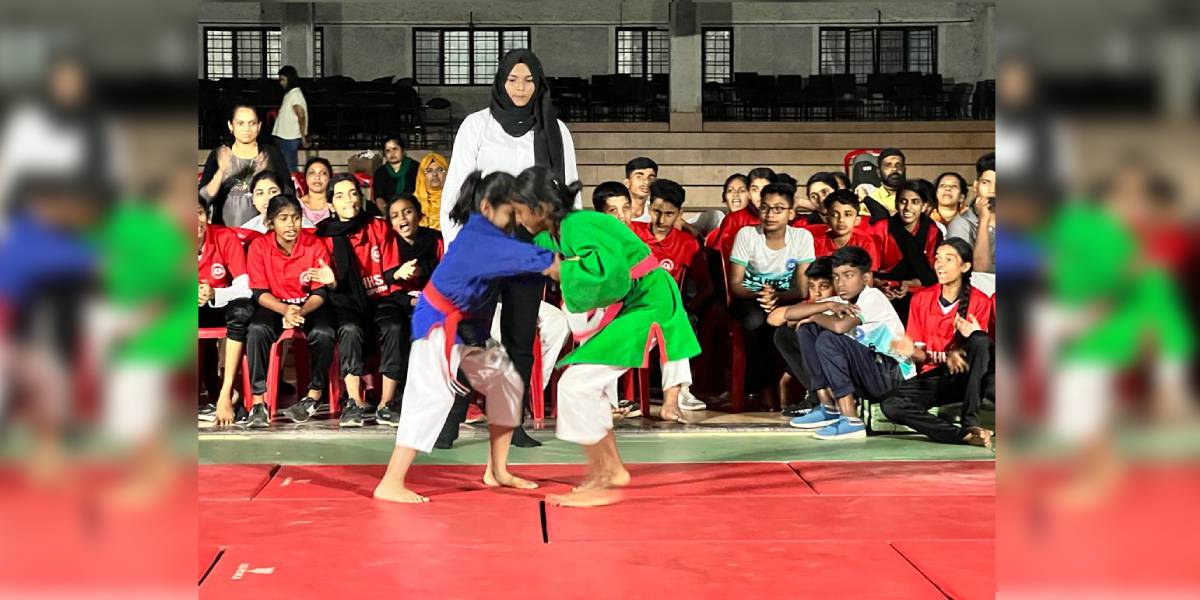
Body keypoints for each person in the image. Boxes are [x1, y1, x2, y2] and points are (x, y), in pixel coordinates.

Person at [513, 166, 700, 506]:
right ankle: (609, 470)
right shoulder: (549, 234)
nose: (517, 215)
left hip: (650, 301)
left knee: (575, 385)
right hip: (633, 303)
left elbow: (612, 275)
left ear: (540, 207)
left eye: (520, 208)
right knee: (586, 385)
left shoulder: (579, 224)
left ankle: (602, 475)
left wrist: (562, 270)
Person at [373, 171, 560, 504]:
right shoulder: (482, 238)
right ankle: (391, 481)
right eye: (510, 213)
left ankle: (497, 471)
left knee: (506, 383)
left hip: (465, 327)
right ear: (487, 207)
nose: (514, 219)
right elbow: (545, 265)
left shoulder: (489, 234)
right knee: (430, 398)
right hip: (437, 325)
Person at [436, 49, 581, 448]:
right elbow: (456, 189)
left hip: (531, 244)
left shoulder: (555, 130)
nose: (520, 88)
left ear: (539, 83)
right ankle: (451, 420)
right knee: (475, 337)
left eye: (528, 80)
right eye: (513, 79)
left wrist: (570, 249)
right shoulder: (476, 126)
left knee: (520, 337)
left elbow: (567, 191)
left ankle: (511, 424)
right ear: (500, 81)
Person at [768, 245, 915, 440]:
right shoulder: (837, 301)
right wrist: (827, 305)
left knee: (829, 338)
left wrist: (814, 316)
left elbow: (840, 327)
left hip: (893, 375)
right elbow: (774, 318)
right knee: (806, 331)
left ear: (866, 278)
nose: (841, 283)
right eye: (836, 277)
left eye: (848, 275)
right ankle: (827, 407)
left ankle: (851, 421)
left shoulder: (873, 296)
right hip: (870, 375)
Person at [315, 175, 415, 427]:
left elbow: (390, 270)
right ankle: (353, 402)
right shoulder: (323, 236)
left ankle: (386, 404)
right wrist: (331, 281)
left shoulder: (378, 227)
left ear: (360, 198)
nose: (348, 200)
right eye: (339, 196)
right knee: (349, 329)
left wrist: (399, 273)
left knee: (395, 326)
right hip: (346, 301)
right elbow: (331, 285)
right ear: (330, 205)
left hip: (381, 299)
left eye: (352, 193)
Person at [882, 238, 996, 447]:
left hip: (973, 376)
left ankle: (971, 422)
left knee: (979, 339)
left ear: (965, 266)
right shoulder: (921, 299)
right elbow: (922, 355)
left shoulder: (980, 301)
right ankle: (961, 435)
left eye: (948, 259)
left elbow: (980, 353)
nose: (940, 264)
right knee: (891, 404)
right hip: (939, 377)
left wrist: (970, 337)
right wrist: (910, 350)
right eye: (937, 259)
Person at [243, 194, 337, 428]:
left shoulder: (314, 244)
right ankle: (258, 401)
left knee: (324, 333)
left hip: (308, 306)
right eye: (283, 218)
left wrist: (300, 312)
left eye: (296, 218)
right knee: (256, 329)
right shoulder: (259, 246)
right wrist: (285, 310)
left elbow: (320, 293)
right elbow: (260, 293)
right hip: (275, 305)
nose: (291, 224)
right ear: (270, 223)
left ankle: (313, 396)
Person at [728, 182, 814, 410]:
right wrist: (761, 293)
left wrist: (777, 297)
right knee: (755, 322)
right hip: (749, 299)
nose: (770, 214)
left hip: (786, 299)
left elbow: (802, 289)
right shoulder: (747, 235)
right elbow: (736, 285)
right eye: (765, 208)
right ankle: (764, 387)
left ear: (791, 213)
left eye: (778, 209)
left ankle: (788, 385)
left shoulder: (802, 238)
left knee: (783, 324)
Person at [630, 179, 712, 413]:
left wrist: (687, 309)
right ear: (648, 208)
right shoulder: (632, 232)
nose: (661, 220)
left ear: (679, 214)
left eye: (669, 214)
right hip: (630, 310)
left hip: (666, 313)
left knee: (677, 323)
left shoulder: (688, 244)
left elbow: (707, 288)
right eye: (656, 212)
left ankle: (676, 397)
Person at [197, 196, 254, 426]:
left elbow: (244, 287)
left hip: (222, 306)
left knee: (242, 312)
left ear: (207, 215)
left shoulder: (225, 237)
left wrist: (214, 294)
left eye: (198, 212)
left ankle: (226, 393)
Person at [199, 103, 292, 227]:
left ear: (259, 126)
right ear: (230, 126)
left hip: (263, 233)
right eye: (240, 123)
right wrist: (221, 172)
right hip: (225, 234)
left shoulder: (271, 154)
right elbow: (203, 199)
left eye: (252, 123)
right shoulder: (219, 154)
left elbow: (288, 194)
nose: (246, 129)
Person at [773, 256, 836, 417]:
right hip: (818, 365)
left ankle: (829, 399)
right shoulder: (810, 305)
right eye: (812, 286)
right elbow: (773, 319)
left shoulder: (840, 302)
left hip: (840, 364)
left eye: (824, 286)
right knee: (783, 334)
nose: (817, 292)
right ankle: (817, 397)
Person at [876, 179, 942, 318]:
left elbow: (933, 273)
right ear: (896, 203)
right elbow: (869, 270)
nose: (907, 208)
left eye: (915, 202)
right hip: (884, 290)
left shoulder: (932, 231)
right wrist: (882, 286)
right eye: (903, 201)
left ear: (924, 206)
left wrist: (909, 284)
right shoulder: (882, 228)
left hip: (919, 290)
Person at [947, 152, 995, 296]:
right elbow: (980, 272)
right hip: (977, 297)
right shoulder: (961, 224)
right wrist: (984, 220)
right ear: (976, 186)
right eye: (986, 183)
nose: (993, 190)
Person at [706, 167, 774, 257]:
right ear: (749, 193)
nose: (760, 195)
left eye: (765, 189)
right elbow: (720, 256)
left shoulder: (783, 216)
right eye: (755, 190)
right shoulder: (733, 220)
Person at [812, 190, 882, 271]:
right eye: (834, 215)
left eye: (848, 214)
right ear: (827, 219)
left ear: (857, 220)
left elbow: (868, 276)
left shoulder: (866, 243)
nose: (841, 220)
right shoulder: (817, 243)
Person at [240, 171, 314, 233]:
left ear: (283, 194)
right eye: (260, 193)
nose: (267, 198)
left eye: (273, 192)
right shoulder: (246, 230)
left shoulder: (303, 226)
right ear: (253, 199)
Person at [272, 65, 308, 173]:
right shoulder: (290, 94)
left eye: (283, 80)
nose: (281, 83)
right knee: (285, 167)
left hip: (289, 137)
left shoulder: (295, 95)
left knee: (290, 168)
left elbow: (301, 116)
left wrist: (303, 136)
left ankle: (292, 188)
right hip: (285, 136)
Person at [372, 137, 420, 210]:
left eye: (395, 149)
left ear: (403, 150)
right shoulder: (380, 172)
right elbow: (379, 198)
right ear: (384, 154)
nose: (392, 153)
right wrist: (388, 214)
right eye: (388, 150)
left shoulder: (416, 168)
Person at [864, 147, 906, 215]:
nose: (894, 169)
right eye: (888, 165)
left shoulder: (915, 196)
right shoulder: (871, 199)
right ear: (878, 172)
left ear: (904, 169)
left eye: (899, 165)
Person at [414, 151, 449, 230]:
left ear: (447, 173)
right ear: (422, 175)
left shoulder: (456, 200)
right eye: (429, 170)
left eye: (440, 170)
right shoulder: (413, 203)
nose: (434, 174)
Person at [299, 157, 333, 225]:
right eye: (312, 173)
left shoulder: (336, 204)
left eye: (323, 173)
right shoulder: (296, 205)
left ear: (330, 178)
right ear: (305, 178)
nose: (317, 177)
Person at [623, 157, 658, 223]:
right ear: (627, 183)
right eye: (639, 177)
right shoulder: (616, 213)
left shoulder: (658, 214)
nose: (646, 182)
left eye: (651, 178)